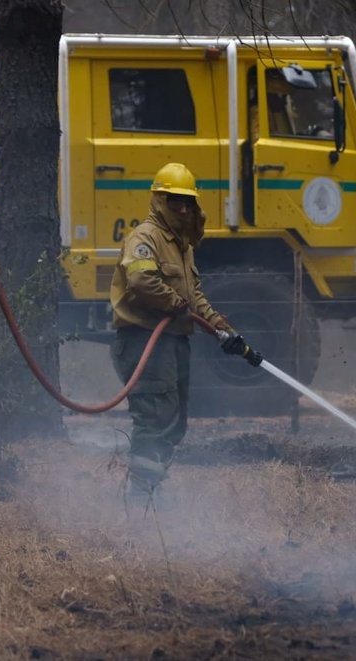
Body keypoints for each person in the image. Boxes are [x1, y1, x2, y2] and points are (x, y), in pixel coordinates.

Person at [109, 162, 262, 502]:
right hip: (144, 340)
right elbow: (140, 279)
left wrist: (219, 325)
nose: (182, 207)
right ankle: (141, 496)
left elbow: (193, 298)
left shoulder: (183, 245)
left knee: (174, 422)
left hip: (174, 342)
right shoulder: (145, 237)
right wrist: (173, 303)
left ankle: (152, 487)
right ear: (159, 201)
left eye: (187, 201)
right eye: (174, 200)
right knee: (155, 417)